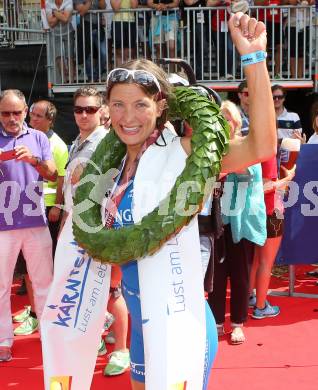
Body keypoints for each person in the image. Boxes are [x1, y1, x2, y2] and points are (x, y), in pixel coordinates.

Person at [100, 11, 276, 389]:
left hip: (179, 321)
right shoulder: (110, 165)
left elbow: (261, 144)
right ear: (107, 107)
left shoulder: (181, 153)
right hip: (142, 326)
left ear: (161, 107)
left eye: (140, 105)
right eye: (118, 104)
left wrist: (253, 59)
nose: (128, 116)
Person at [40, 87, 129, 390]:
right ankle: (99, 338)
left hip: (101, 228)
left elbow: (115, 187)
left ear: (101, 111)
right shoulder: (77, 141)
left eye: (90, 109)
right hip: (76, 227)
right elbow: (70, 192)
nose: (83, 115)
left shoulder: (108, 142)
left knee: (112, 289)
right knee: (84, 289)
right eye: (78, 109)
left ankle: (120, 350)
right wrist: (66, 220)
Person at [0, 89, 57, 362]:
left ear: (25, 112)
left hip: (36, 221)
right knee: (0, 286)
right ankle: (3, 340)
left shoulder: (38, 138)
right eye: (5, 113)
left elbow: (53, 174)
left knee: (44, 282)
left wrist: (33, 160)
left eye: (16, 112)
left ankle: (50, 337)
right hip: (2, 225)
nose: (11, 118)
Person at [208, 100, 267, 344]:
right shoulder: (211, 147)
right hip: (217, 222)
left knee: (241, 276)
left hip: (241, 222)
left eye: (228, 118)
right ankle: (217, 323)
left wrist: (222, 167)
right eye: (220, 118)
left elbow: (247, 173)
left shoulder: (246, 146)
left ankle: (238, 323)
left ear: (237, 122)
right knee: (216, 276)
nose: (224, 122)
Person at [12, 100, 69, 337]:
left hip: (47, 212)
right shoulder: (26, 137)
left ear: (50, 120)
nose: (32, 119)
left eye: (37, 116)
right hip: (21, 212)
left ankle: (47, 316)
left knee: (48, 269)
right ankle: (34, 311)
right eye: (31, 115)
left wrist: (57, 205)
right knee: (26, 270)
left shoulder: (56, 143)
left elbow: (60, 177)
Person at [74, 0, 107, 81]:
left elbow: (103, 7)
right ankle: (91, 77)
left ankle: (96, 75)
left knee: (103, 54)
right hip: (86, 27)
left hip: (98, 27)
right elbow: (82, 12)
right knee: (87, 54)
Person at [45, 0, 75, 83]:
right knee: (58, 57)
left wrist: (54, 12)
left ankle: (71, 81)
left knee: (70, 56)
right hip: (54, 33)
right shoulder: (48, 3)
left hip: (68, 31)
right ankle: (64, 81)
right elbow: (51, 23)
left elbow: (65, 19)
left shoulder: (68, 1)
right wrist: (61, 14)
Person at [111, 0, 138, 65]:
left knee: (130, 51)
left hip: (131, 22)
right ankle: (120, 72)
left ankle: (128, 72)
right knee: (119, 51)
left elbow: (134, 6)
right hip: (117, 22)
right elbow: (116, 8)